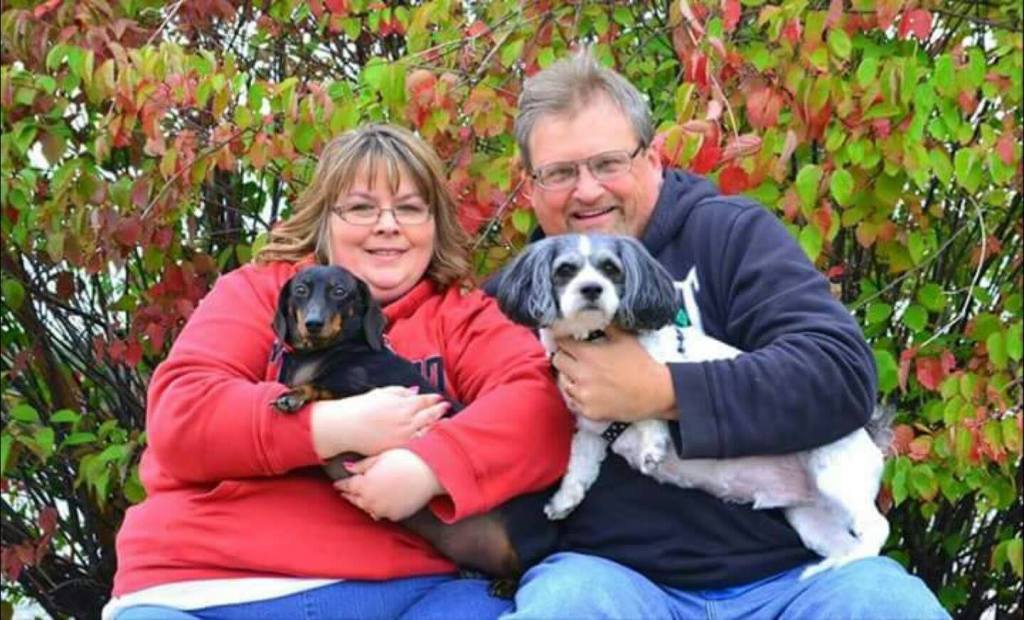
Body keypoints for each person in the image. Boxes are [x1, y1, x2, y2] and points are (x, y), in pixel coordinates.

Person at [496, 51, 950, 619]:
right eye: (561, 172)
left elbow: (839, 376)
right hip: (611, 580)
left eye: (608, 163)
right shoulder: (520, 299)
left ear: (653, 158)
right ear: (530, 186)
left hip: (796, 576)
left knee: (887, 606)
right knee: (564, 605)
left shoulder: (731, 237)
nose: (587, 191)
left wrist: (665, 392)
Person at [103, 125, 573, 620]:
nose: (387, 225)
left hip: (409, 592)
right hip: (210, 587)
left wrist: (430, 466)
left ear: (435, 225)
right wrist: (331, 426)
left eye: (410, 209)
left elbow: (540, 407)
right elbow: (182, 415)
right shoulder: (263, 293)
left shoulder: (461, 317)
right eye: (362, 207)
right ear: (324, 220)